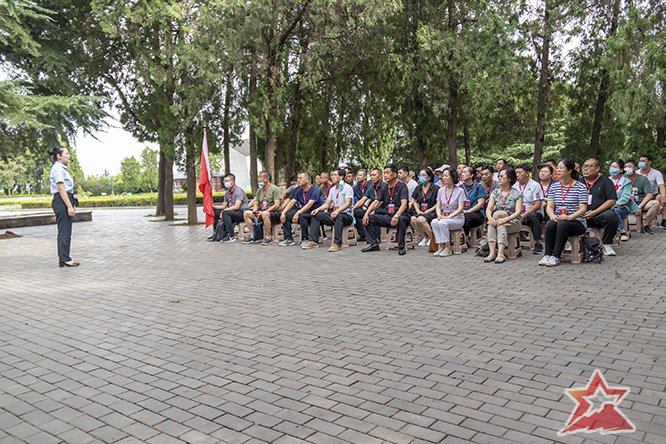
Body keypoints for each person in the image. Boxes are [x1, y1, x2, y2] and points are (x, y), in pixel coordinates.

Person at [539, 158, 588, 267]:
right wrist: (552, 216)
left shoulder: (580, 187)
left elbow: (583, 208)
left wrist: (570, 217)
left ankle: (556, 256)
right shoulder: (554, 186)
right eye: (558, 168)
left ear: (569, 170)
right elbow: (550, 206)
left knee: (563, 224)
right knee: (551, 224)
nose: (558, 170)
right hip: (559, 219)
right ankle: (547, 254)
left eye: (562, 168)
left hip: (577, 221)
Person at [361, 164, 410, 255]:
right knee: (369, 218)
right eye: (385, 173)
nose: (385, 175)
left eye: (388, 173)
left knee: (402, 219)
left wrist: (396, 216)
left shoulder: (402, 186)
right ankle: (374, 244)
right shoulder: (385, 187)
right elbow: (376, 202)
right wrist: (366, 214)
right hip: (389, 215)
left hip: (401, 215)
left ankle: (401, 247)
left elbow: (404, 204)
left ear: (394, 174)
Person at [302, 168, 354, 252]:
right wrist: (317, 209)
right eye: (332, 175)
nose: (332, 177)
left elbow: (347, 204)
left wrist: (337, 211)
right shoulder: (332, 189)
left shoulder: (348, 188)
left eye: (335, 175)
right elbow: (327, 204)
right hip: (334, 214)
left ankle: (337, 243)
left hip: (346, 215)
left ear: (341, 177)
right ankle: (313, 241)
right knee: (316, 215)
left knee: (339, 216)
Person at [483, 167, 524, 263]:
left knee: (501, 225)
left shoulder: (517, 194)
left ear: (509, 179)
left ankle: (500, 253)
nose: (499, 178)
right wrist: (490, 218)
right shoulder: (495, 192)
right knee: (492, 224)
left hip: (513, 221)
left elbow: (518, 212)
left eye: (501, 176)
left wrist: (505, 220)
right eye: (498, 176)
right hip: (497, 220)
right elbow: (489, 208)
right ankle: (492, 253)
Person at [49, 147, 79, 268]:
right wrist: (69, 206)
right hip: (62, 200)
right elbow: (61, 189)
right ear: (59, 156)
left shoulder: (62, 169)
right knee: (64, 231)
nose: (69, 155)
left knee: (66, 231)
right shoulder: (57, 169)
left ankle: (65, 258)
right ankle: (65, 259)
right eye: (66, 153)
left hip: (65, 199)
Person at [582, 158, 618, 256]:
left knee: (611, 216)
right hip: (580, 214)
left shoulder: (606, 181)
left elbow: (612, 200)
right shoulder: (578, 182)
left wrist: (594, 212)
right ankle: (575, 243)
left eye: (589, 166)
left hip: (598, 214)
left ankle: (607, 243)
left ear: (597, 168)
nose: (586, 169)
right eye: (584, 166)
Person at [278, 172, 322, 246]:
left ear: (307, 180)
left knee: (302, 216)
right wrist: (283, 212)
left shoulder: (314, 190)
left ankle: (305, 239)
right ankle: (288, 239)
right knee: (286, 215)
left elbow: (309, 205)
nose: (298, 180)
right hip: (302, 211)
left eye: (300, 178)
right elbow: (292, 202)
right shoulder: (299, 191)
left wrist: (298, 213)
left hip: (313, 212)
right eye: (298, 178)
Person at [430, 167, 465, 257]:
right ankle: (440, 246)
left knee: (442, 223)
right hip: (444, 217)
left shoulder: (460, 191)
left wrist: (449, 217)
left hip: (457, 219)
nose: (444, 178)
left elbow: (460, 208)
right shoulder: (441, 190)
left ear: (452, 177)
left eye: (446, 176)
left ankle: (447, 247)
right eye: (443, 176)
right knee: (434, 222)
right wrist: (439, 215)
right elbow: (438, 206)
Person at [242, 171, 282, 245]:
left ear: (266, 179)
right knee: (246, 213)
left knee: (265, 214)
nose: (258, 179)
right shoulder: (260, 190)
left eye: (260, 177)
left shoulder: (275, 189)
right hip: (262, 211)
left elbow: (277, 205)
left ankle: (268, 237)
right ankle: (253, 235)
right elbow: (256, 202)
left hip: (274, 212)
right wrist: (255, 211)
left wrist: (265, 211)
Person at [514, 164, 544, 254]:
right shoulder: (514, 186)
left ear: (527, 173)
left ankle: (538, 243)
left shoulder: (535, 185)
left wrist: (524, 215)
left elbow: (538, 204)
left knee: (532, 216)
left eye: (520, 172)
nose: (517, 175)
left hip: (533, 212)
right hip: (518, 212)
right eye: (516, 173)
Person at [212, 174, 249, 242]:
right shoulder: (227, 193)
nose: (226, 183)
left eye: (227, 181)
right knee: (215, 213)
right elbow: (223, 206)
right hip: (232, 212)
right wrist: (213, 207)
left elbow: (237, 206)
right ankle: (216, 233)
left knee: (225, 213)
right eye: (225, 181)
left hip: (242, 213)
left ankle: (230, 236)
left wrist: (224, 211)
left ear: (233, 181)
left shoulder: (238, 191)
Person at [624, 160, 656, 234]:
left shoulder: (643, 179)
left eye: (629, 166)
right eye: (625, 167)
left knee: (656, 203)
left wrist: (640, 206)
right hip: (627, 203)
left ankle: (645, 225)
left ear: (635, 168)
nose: (627, 168)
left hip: (641, 202)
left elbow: (650, 194)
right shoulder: (621, 179)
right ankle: (622, 231)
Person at [609, 160, 638, 241]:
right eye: (611, 167)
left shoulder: (626, 182)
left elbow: (625, 197)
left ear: (621, 170)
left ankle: (622, 231)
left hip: (623, 207)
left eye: (615, 167)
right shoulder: (606, 180)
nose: (612, 169)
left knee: (615, 211)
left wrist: (614, 205)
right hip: (608, 206)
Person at [352, 168, 384, 242]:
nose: (372, 177)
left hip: (382, 209)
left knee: (375, 214)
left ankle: (376, 237)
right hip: (370, 209)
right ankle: (363, 235)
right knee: (356, 212)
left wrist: (373, 210)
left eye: (374, 175)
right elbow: (362, 200)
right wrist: (352, 209)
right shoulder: (371, 187)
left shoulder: (385, 186)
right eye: (371, 175)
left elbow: (381, 201)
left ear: (380, 176)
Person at [410, 168, 439, 247]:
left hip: (432, 212)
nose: (421, 177)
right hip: (421, 211)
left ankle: (432, 237)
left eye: (423, 175)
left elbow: (439, 203)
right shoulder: (418, 187)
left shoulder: (435, 188)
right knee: (413, 219)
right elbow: (414, 200)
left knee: (421, 219)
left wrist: (429, 210)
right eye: (420, 175)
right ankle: (425, 237)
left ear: (429, 177)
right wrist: (417, 210)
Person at [637, 153, 666, 229]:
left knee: (663, 196)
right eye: (640, 161)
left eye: (643, 161)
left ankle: (664, 220)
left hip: (653, 195)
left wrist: (663, 196)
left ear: (649, 162)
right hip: (640, 196)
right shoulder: (636, 173)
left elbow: (661, 186)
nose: (641, 163)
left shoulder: (656, 173)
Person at [459, 166, 487, 238]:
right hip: (462, 212)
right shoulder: (460, 187)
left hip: (477, 213)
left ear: (471, 175)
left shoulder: (478, 187)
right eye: (462, 173)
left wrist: (468, 211)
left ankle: (465, 238)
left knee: (465, 218)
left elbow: (480, 203)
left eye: (465, 172)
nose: (462, 174)